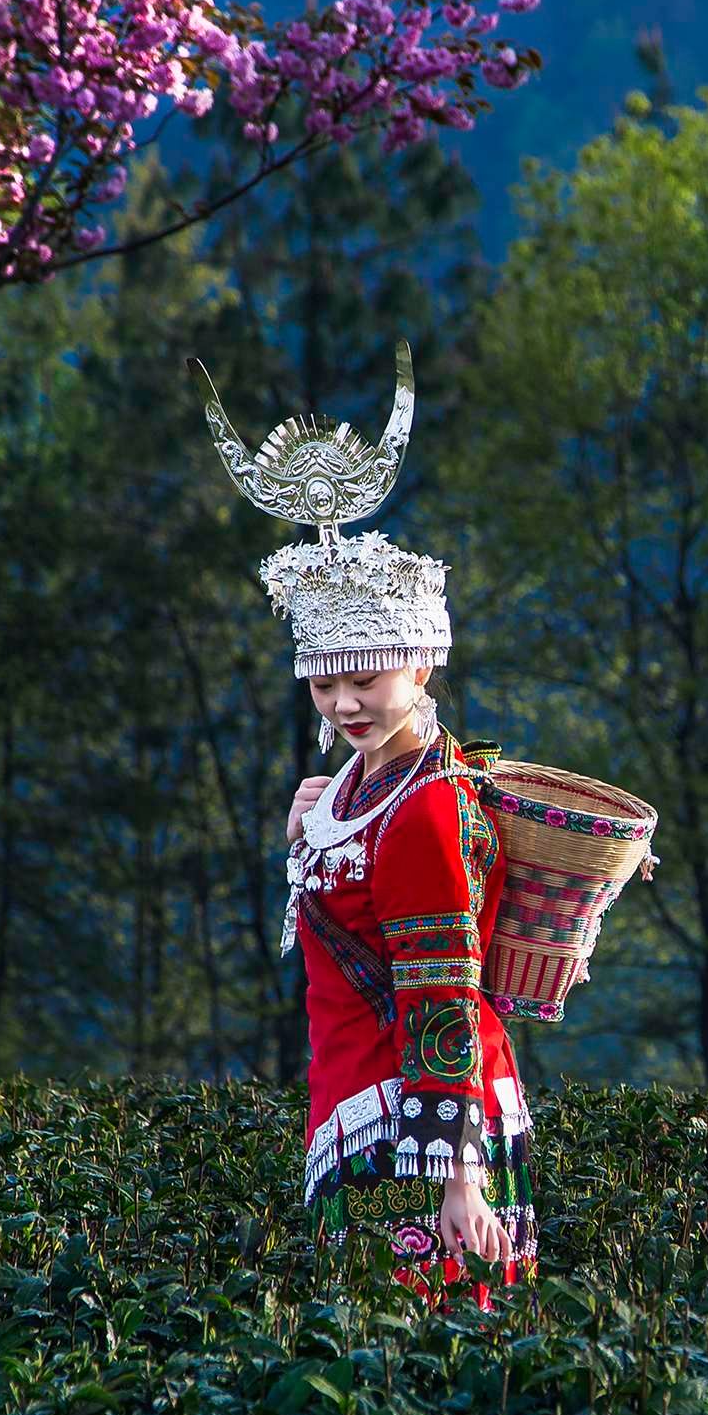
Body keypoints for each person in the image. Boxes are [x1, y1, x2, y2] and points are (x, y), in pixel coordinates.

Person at [198, 343, 537, 1313]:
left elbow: (443, 993)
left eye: (367, 676)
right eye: (326, 678)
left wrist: (458, 1179)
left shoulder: (426, 805)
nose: (344, 698)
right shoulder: (351, 787)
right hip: (363, 1119)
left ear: (420, 667)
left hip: (424, 1145)